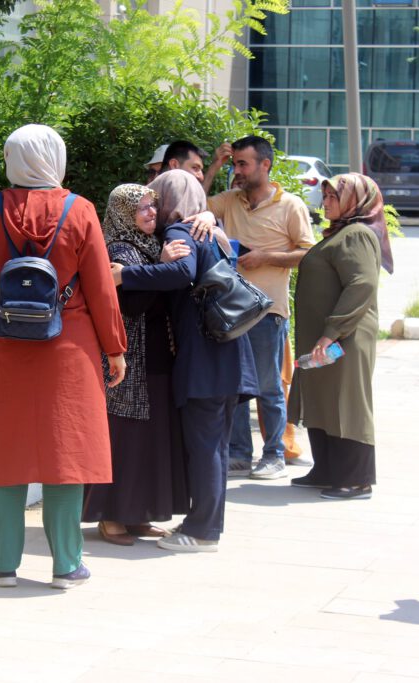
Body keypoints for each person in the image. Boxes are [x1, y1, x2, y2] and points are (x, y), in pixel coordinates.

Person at [0, 124, 127, 589]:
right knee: (66, 454)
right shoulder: (81, 211)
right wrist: (115, 348)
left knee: (3, 451)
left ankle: (3, 563)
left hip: (1, 345)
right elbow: (102, 289)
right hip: (69, 349)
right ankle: (67, 564)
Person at [113, 170, 258, 552]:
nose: (155, 209)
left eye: (158, 200)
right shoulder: (214, 231)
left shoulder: (181, 232)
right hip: (230, 355)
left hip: (205, 359)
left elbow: (182, 271)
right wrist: (212, 215)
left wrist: (124, 275)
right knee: (216, 446)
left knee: (206, 447)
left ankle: (202, 530)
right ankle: (205, 524)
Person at [82, 184, 189, 545]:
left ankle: (140, 513)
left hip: (155, 359)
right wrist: (162, 266)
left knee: (151, 440)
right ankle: (111, 516)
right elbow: (134, 303)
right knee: (125, 441)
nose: (150, 214)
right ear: (124, 213)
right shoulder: (118, 249)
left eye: (152, 207)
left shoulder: (146, 246)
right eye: (141, 208)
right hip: (128, 363)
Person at [205, 135, 315, 480]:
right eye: (235, 163)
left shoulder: (291, 205)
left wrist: (267, 257)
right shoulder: (229, 200)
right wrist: (215, 166)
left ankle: (274, 454)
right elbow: (193, 207)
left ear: (265, 165)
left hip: (268, 312)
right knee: (235, 384)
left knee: (268, 385)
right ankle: (239, 452)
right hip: (231, 310)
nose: (238, 171)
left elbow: (310, 253)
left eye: (243, 164)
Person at [288, 173, 393, 500]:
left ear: (354, 201)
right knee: (322, 400)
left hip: (345, 337)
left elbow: (361, 285)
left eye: (334, 197)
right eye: (326, 196)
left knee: (347, 404)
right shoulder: (340, 232)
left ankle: (356, 479)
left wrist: (332, 332)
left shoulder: (357, 234)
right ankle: (328, 470)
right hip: (326, 337)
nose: (326, 202)